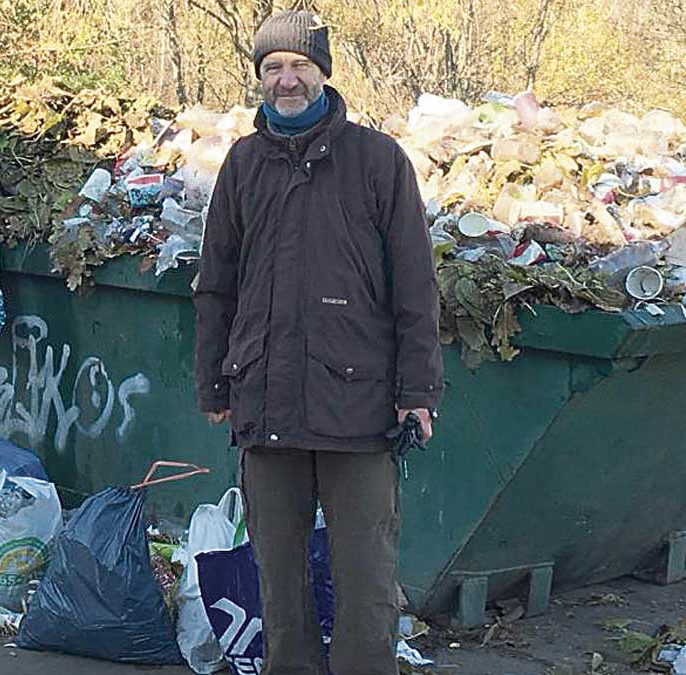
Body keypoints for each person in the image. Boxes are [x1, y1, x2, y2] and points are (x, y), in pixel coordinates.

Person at [193, 11, 443, 674]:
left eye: (299, 65)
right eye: (273, 67)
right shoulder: (244, 164)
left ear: (323, 74)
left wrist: (417, 392)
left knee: (364, 583)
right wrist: (214, 383)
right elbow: (215, 283)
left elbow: (415, 287)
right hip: (265, 406)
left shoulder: (378, 161)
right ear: (260, 79)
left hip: (356, 410)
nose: (287, 78)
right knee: (279, 582)